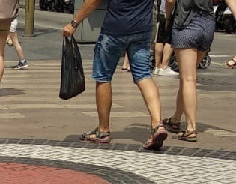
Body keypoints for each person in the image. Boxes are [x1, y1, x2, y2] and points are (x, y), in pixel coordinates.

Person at [63, 0, 169, 150]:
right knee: (144, 75)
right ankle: (157, 124)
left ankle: (103, 130)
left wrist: (74, 23)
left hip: (114, 29)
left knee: (103, 77)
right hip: (142, 29)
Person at [161, 0, 236, 141]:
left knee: (188, 79)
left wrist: (167, 18)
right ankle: (175, 119)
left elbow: (170, 1)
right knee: (187, 78)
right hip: (207, 26)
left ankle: (191, 128)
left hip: (186, 23)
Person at [154, 0, 176, 74]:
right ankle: (164, 66)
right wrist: (168, 17)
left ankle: (157, 67)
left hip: (161, 12)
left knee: (159, 39)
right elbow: (170, 1)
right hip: (170, 13)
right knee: (169, 40)